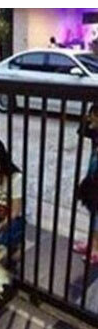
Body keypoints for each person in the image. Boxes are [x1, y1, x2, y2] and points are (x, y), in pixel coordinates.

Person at [73, 105, 98, 264]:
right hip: (93, 178)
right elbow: (82, 132)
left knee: (97, 216)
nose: (92, 120)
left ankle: (95, 248)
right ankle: (92, 243)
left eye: (94, 116)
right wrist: (86, 120)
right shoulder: (95, 131)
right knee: (93, 212)